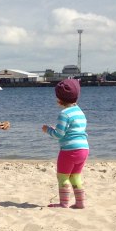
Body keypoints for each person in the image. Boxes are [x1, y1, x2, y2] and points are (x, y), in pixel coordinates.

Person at [42, 78, 89, 208]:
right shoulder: (80, 112)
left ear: (59, 98)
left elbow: (59, 134)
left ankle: (64, 203)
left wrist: (48, 130)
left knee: (63, 177)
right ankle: (80, 203)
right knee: (76, 177)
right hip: (83, 149)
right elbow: (75, 129)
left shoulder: (64, 113)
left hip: (69, 150)